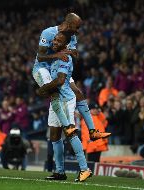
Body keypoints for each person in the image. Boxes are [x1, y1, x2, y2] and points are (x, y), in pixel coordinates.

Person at [32, 13, 111, 141]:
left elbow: (75, 55)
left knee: (79, 93)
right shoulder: (48, 33)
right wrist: (56, 55)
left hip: (58, 69)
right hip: (44, 68)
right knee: (55, 94)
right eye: (76, 27)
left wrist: (72, 53)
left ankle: (93, 131)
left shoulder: (72, 37)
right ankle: (63, 128)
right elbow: (40, 57)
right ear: (69, 25)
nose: (77, 30)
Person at [37, 33, 92, 182]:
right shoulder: (55, 54)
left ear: (65, 44)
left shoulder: (65, 58)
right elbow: (40, 56)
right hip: (55, 100)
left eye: (58, 40)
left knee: (70, 132)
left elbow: (61, 80)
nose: (54, 42)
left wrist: (44, 88)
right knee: (54, 135)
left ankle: (84, 169)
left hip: (65, 100)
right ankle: (60, 172)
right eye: (54, 39)